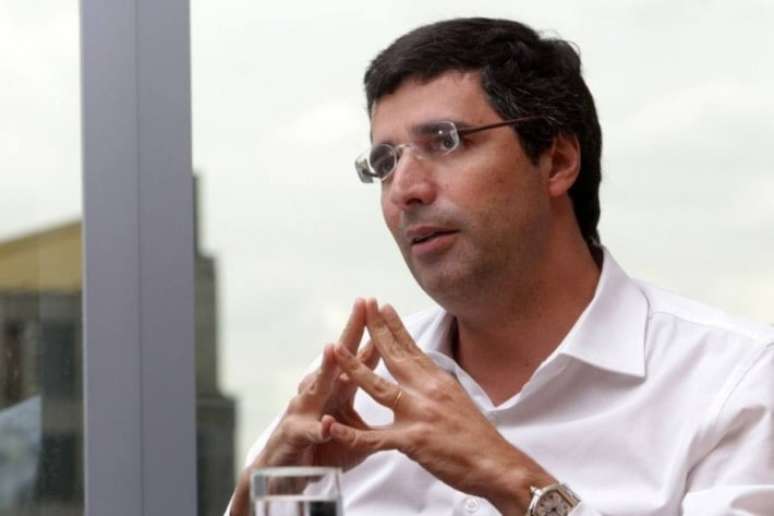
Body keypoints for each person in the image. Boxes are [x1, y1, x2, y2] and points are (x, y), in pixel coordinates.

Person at [228, 17, 774, 516]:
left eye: (445, 142)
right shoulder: (350, 400)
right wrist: (260, 498)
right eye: (384, 162)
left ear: (557, 161)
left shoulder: (735, 385)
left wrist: (511, 481)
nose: (405, 189)